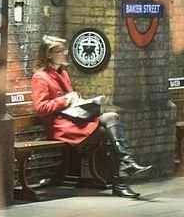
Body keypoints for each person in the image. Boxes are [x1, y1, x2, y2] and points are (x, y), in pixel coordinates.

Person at [30, 35, 152, 198]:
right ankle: (123, 176)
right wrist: (66, 99)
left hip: (74, 120)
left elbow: (69, 97)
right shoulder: (40, 77)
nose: (65, 53)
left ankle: (126, 164)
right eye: (61, 51)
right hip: (60, 126)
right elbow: (41, 107)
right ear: (48, 54)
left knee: (111, 117)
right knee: (106, 133)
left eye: (64, 50)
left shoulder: (63, 73)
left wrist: (79, 99)